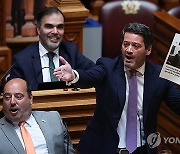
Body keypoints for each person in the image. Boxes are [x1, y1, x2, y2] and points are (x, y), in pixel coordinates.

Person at [54, 22, 180, 154]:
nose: (129, 50)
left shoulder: (159, 76)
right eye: (126, 44)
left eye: (136, 46)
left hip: (142, 149)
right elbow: (90, 76)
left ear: (148, 50)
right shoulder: (107, 67)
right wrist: (74, 75)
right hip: (104, 148)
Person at [9, 6, 95, 90]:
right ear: (38, 30)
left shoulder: (71, 51)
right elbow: (16, 94)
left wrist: (74, 75)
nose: (55, 32)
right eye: (49, 26)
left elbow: (96, 73)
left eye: (60, 27)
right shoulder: (22, 60)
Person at [0, 78, 75, 154]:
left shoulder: (53, 119)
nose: (12, 102)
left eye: (19, 97)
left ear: (31, 99)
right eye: (7, 97)